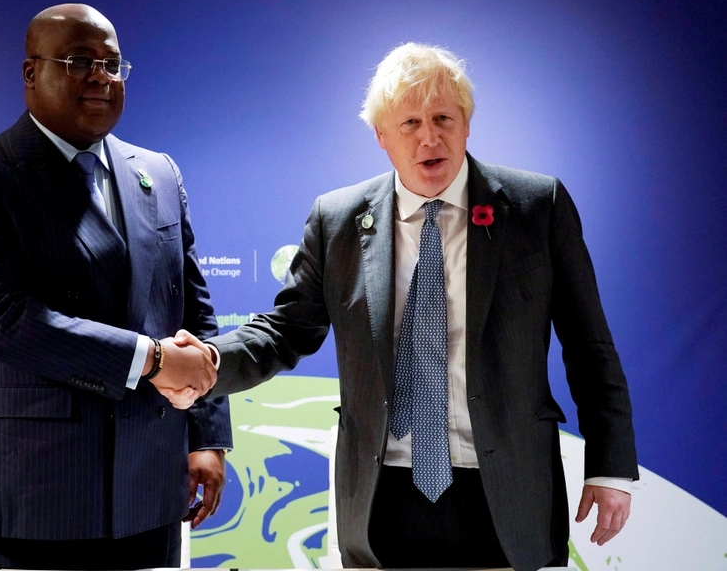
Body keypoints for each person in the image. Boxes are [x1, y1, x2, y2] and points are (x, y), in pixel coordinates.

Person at [176, 43, 638, 570]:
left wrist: (610, 467)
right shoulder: (339, 219)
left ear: (466, 125)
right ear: (382, 137)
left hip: (508, 489)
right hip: (382, 495)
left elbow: (589, 346)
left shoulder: (537, 206)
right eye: (410, 122)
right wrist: (210, 363)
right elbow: (287, 330)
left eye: (444, 117)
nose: (429, 137)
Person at [0, 3, 230, 571]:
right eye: (79, 60)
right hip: (35, 492)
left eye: (113, 64)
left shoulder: (159, 172)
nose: (101, 76)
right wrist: (150, 358)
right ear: (30, 72)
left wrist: (207, 437)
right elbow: (0, 320)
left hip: (151, 483)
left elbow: (192, 305)